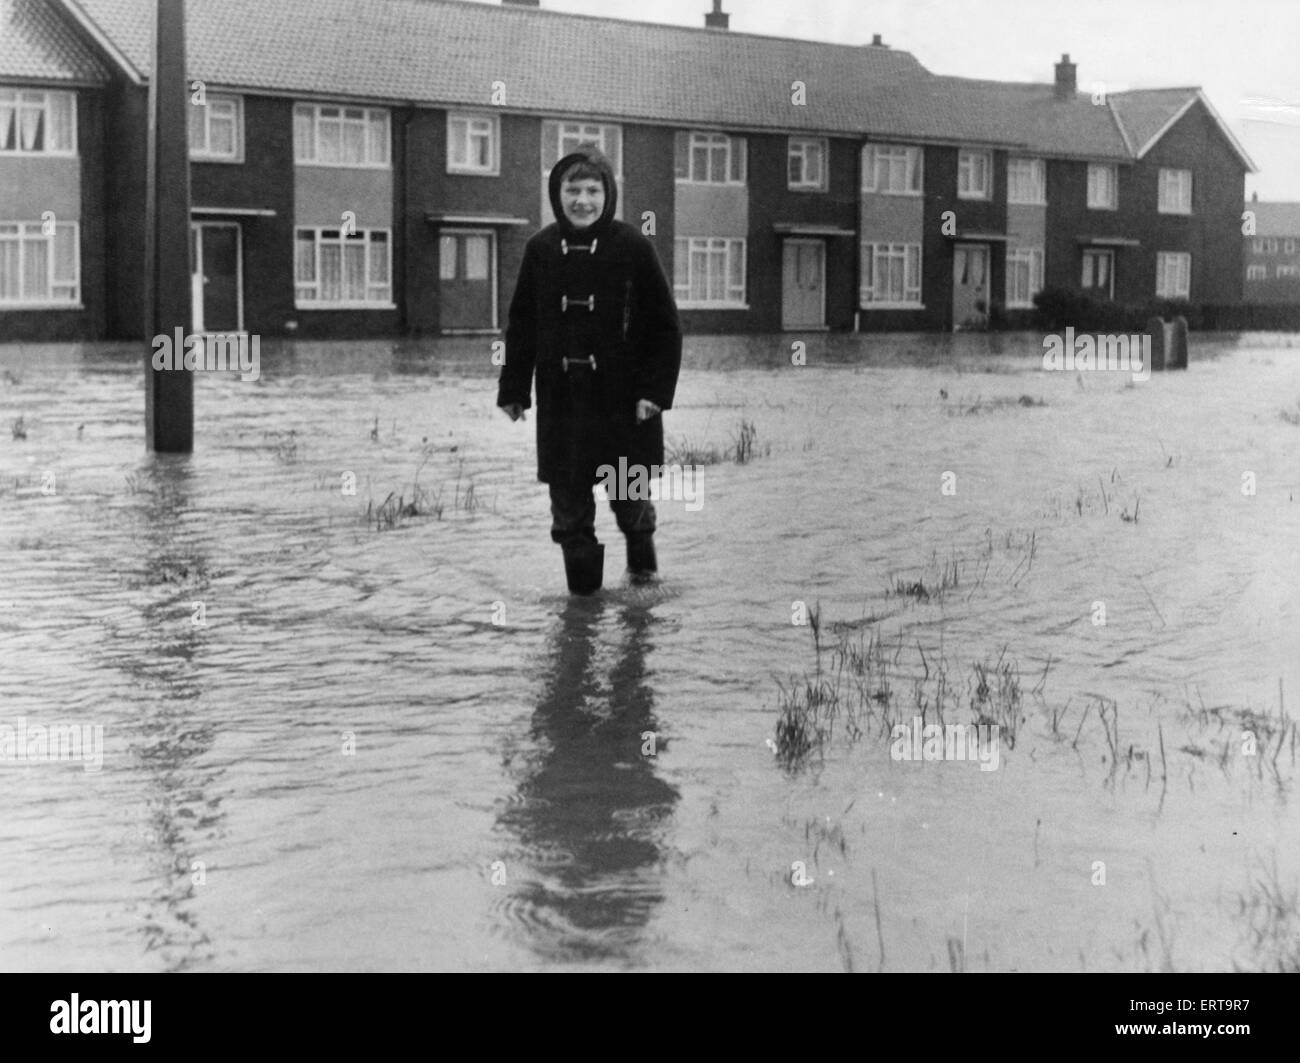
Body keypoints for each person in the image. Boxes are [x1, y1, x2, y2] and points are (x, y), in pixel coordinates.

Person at [498, 145, 682, 595]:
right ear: (556, 193)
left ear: (609, 193)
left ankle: (644, 597)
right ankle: (581, 615)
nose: (582, 200)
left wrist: (653, 394)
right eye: (572, 189)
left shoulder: (634, 247)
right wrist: (515, 389)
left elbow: (666, 326)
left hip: (628, 410)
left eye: (593, 190)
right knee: (570, 516)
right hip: (563, 411)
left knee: (633, 509)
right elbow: (522, 323)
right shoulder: (539, 249)